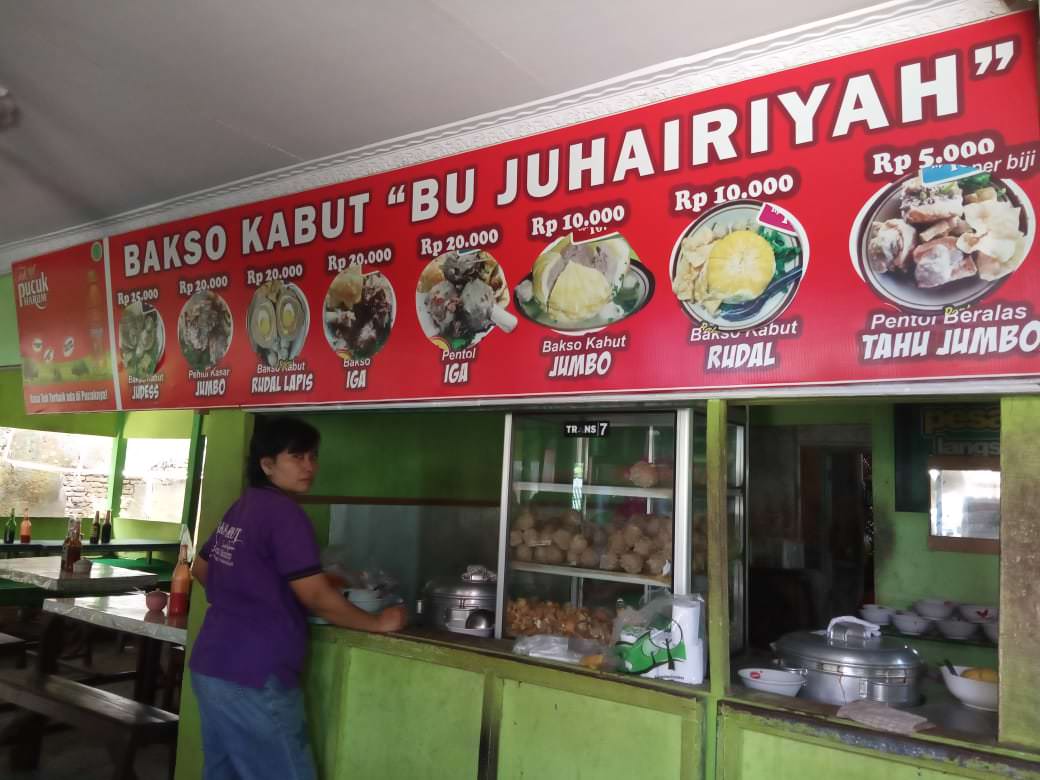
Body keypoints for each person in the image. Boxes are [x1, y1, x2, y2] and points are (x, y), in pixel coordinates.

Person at [190, 416, 407, 779]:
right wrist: (377, 622)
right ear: (267, 464)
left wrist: (251, 593)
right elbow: (317, 597)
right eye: (297, 457)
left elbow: (201, 568)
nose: (310, 467)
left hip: (212, 664)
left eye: (312, 456)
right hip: (254, 674)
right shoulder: (285, 515)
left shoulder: (245, 506)